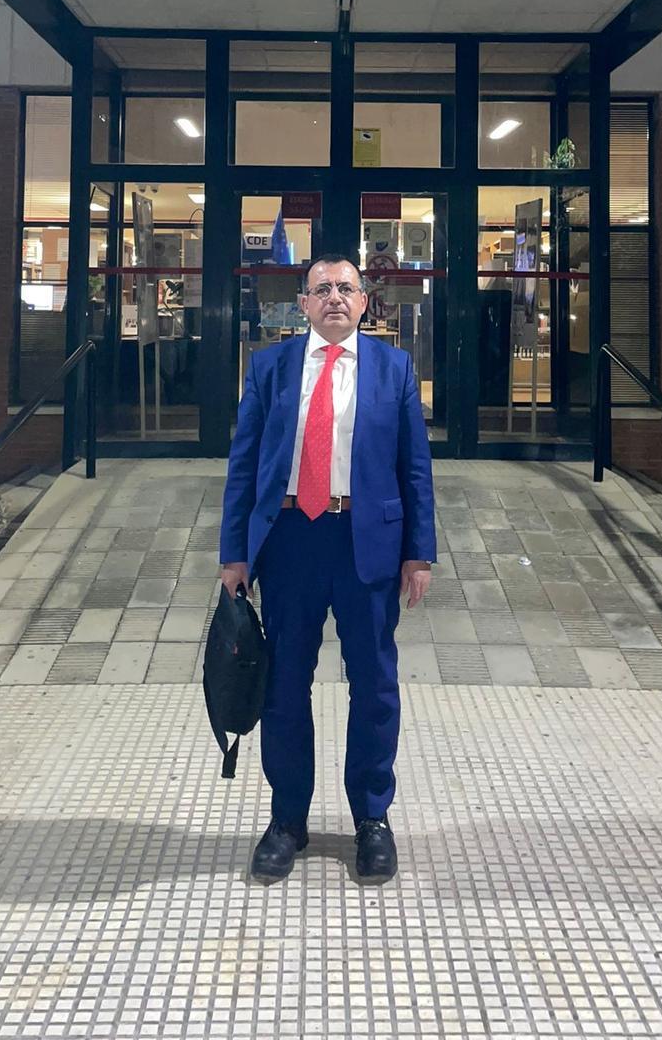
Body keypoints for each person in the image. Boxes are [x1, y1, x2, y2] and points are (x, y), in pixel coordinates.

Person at [219, 254, 436, 884]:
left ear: (364, 302)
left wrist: (418, 552)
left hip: (366, 540)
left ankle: (372, 819)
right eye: (322, 290)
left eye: (346, 288)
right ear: (303, 303)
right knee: (285, 685)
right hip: (289, 540)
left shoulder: (393, 369)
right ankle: (287, 820)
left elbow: (414, 466)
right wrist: (234, 552)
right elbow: (244, 463)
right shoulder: (270, 367)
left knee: (374, 684)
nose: (335, 298)